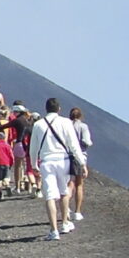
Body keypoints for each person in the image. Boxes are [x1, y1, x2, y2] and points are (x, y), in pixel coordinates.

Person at [28, 98, 87, 240]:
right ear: (59, 109)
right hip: (63, 161)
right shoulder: (66, 122)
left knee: (50, 196)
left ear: (46, 109)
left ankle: (53, 230)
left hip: (46, 162)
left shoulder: (38, 124)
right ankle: (65, 223)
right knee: (63, 192)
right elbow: (74, 145)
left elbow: (33, 148)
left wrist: (34, 165)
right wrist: (82, 163)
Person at [68, 106, 94, 220]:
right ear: (80, 116)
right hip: (80, 156)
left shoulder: (67, 125)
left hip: (67, 156)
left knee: (69, 183)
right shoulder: (83, 126)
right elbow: (86, 141)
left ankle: (66, 206)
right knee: (79, 184)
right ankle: (77, 212)